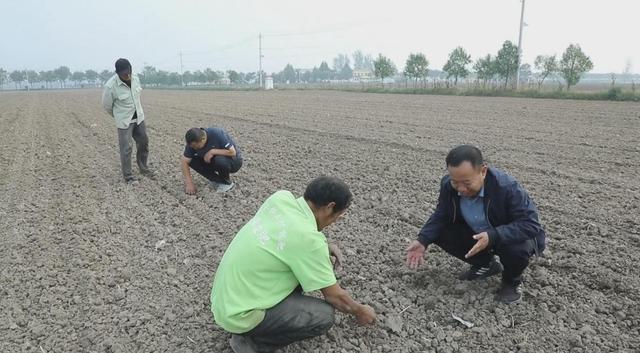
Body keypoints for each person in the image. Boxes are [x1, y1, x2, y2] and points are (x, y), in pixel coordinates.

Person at [211, 176, 376, 353]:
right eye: (338, 216)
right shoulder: (309, 241)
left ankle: (254, 323)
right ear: (330, 207)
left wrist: (323, 247)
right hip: (240, 315)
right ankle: (252, 344)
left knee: (298, 269)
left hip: (224, 301)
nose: (335, 221)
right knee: (323, 316)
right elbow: (336, 298)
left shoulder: (280, 199)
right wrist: (360, 311)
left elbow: (284, 235)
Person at [406, 145, 546, 304]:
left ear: (483, 171)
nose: (460, 189)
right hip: (476, 233)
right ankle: (486, 265)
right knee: (439, 231)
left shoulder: (507, 188)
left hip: (504, 237)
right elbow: (442, 214)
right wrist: (423, 239)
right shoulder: (448, 186)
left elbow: (530, 224)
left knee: (517, 247)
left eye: (466, 183)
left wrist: (494, 235)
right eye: (455, 182)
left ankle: (511, 281)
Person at [101, 58, 153, 183]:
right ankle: (128, 176)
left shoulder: (135, 78)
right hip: (124, 122)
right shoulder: (111, 86)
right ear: (117, 73)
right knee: (126, 148)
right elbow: (106, 105)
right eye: (124, 74)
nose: (127, 75)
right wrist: (119, 116)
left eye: (129, 72)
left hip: (139, 117)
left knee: (144, 142)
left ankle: (143, 168)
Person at [181, 127, 243, 194]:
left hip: (233, 162)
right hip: (212, 161)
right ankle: (217, 181)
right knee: (192, 160)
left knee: (219, 159)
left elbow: (232, 152)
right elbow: (184, 161)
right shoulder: (192, 143)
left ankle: (226, 183)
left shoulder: (216, 133)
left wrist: (212, 151)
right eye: (192, 147)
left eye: (196, 146)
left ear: (203, 139)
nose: (194, 148)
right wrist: (189, 183)